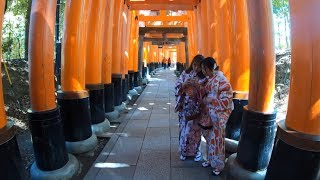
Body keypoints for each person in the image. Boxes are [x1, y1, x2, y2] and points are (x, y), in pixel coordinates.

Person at [199, 57, 234, 175]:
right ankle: (210, 160)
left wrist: (210, 100)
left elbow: (227, 99)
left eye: (205, 69)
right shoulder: (210, 79)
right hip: (209, 115)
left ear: (211, 68)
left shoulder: (222, 81)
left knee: (218, 141)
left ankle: (218, 165)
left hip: (219, 117)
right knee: (209, 139)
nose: (203, 71)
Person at [175, 54, 205, 161]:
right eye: (194, 65)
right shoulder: (185, 73)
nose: (196, 68)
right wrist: (183, 85)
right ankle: (183, 151)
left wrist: (198, 87)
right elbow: (177, 85)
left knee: (196, 131)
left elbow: (206, 91)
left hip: (197, 108)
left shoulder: (204, 77)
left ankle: (196, 152)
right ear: (192, 63)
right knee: (184, 130)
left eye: (199, 66)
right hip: (185, 107)